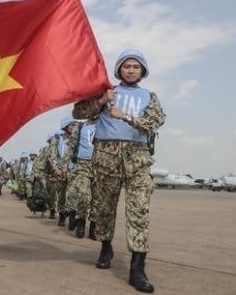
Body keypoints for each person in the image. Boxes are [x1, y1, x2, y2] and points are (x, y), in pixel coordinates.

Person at [73, 49, 165, 293]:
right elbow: (78, 113)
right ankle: (105, 246)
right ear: (119, 70)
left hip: (138, 159)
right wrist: (102, 101)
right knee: (104, 207)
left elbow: (154, 123)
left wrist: (125, 117)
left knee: (139, 211)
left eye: (136, 66)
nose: (131, 70)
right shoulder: (106, 91)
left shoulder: (150, 97)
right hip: (106, 157)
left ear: (142, 71)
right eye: (127, 66)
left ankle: (137, 268)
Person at [64, 116, 98, 239]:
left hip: (100, 165)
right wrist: (65, 165)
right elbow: (71, 145)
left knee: (97, 199)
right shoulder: (81, 125)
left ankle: (93, 226)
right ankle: (82, 222)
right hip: (82, 164)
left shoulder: (105, 123)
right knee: (83, 195)